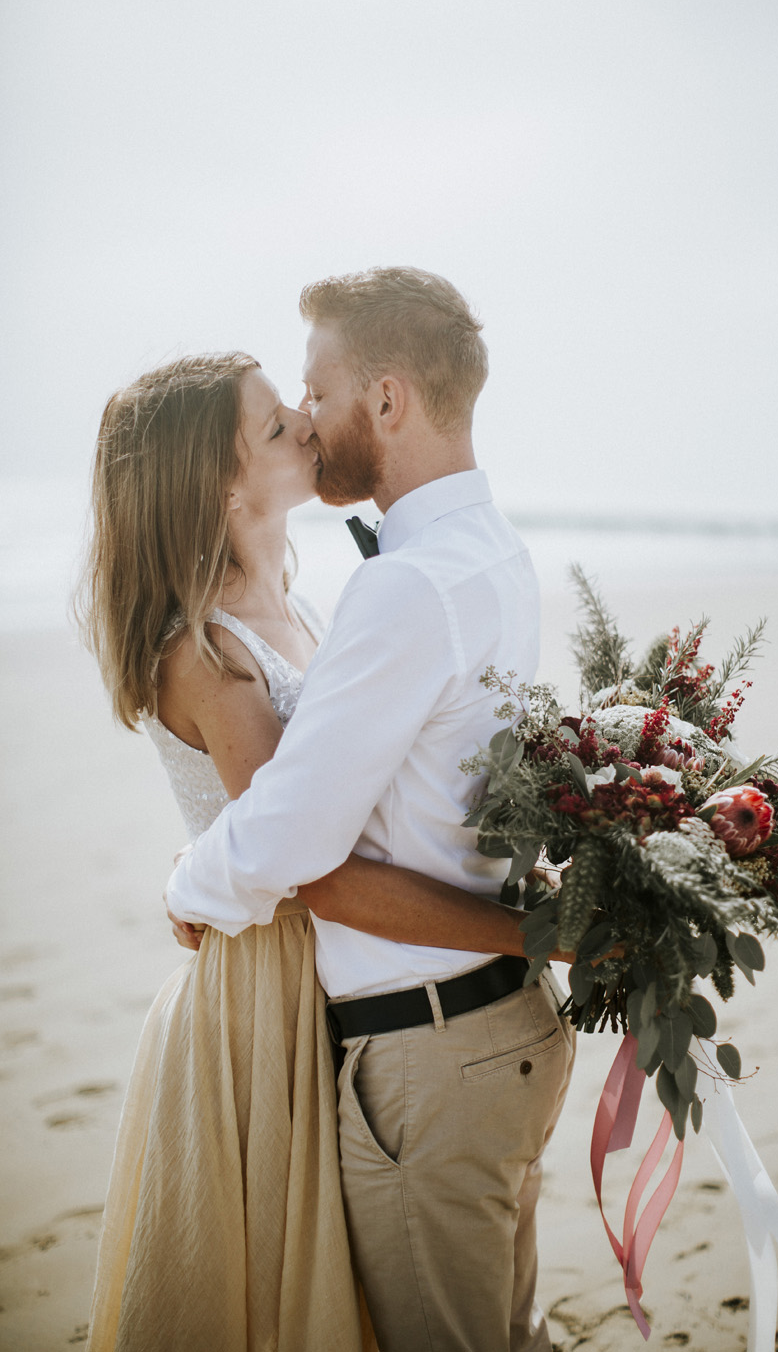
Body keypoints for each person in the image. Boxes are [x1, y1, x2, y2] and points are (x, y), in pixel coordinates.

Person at [78, 350, 537, 1352]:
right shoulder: (205, 654)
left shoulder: (304, 606)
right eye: (275, 422)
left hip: (327, 961)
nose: (304, 421)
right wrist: (523, 931)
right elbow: (308, 865)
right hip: (265, 991)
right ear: (221, 478)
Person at [166, 268, 576, 1352]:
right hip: (503, 1028)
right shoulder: (494, 550)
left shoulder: (403, 585)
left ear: (385, 400)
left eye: (318, 387)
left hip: (430, 1055)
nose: (304, 416)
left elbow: (294, 838)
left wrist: (187, 883)